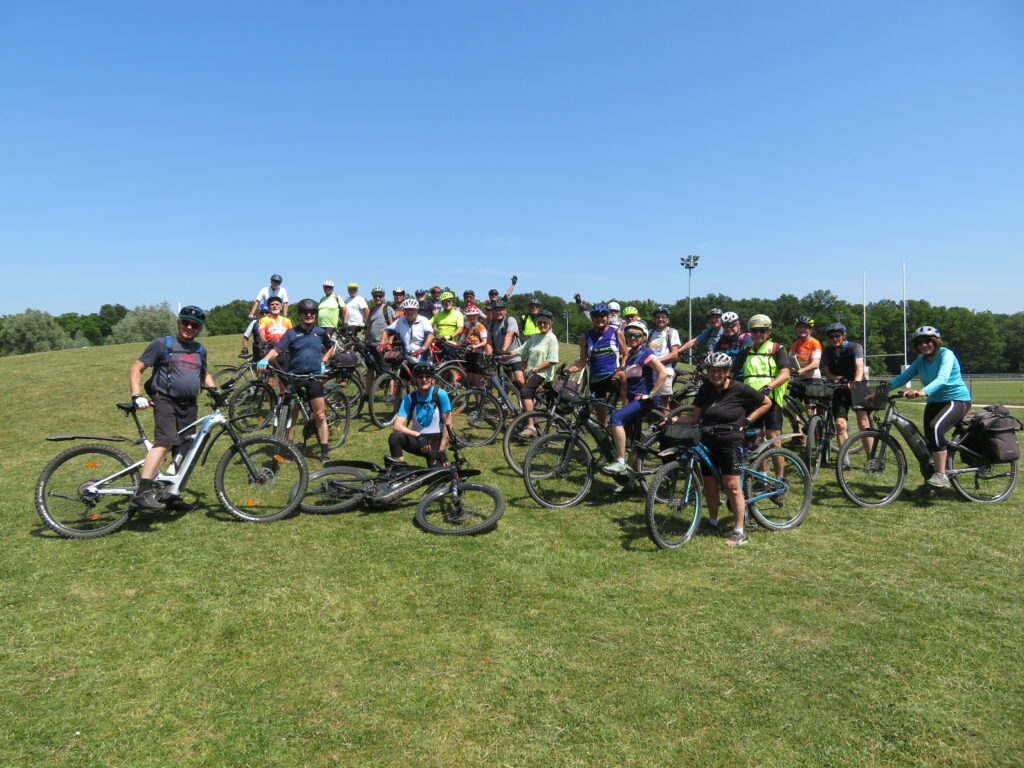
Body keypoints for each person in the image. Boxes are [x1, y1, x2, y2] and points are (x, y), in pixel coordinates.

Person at [671, 352, 772, 546]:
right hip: (707, 439)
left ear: (727, 372)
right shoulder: (705, 389)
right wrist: (672, 419)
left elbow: (766, 402)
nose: (715, 374)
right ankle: (712, 522)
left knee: (732, 486)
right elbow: (694, 418)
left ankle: (739, 532)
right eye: (712, 371)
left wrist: (748, 420)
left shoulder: (739, 388)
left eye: (720, 371)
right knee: (709, 484)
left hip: (731, 440)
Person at [127, 306, 217, 511]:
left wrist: (215, 392)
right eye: (185, 322)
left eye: (194, 325)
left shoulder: (200, 350)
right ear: (179, 323)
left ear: (200, 329)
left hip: (190, 405)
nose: (189, 327)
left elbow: (204, 374)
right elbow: (136, 368)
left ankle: (169, 494)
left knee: (185, 449)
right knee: (166, 441)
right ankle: (142, 491)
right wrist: (136, 395)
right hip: (165, 401)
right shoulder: (163, 344)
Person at [885, 326, 971, 490]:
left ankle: (941, 475)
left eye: (928, 341)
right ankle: (930, 483)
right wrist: (881, 390)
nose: (924, 345)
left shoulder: (946, 354)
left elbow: (943, 378)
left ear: (936, 342)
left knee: (935, 428)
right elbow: (903, 378)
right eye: (919, 343)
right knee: (929, 441)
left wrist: (922, 391)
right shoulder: (921, 360)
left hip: (956, 400)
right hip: (934, 401)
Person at [257, 298, 335, 462]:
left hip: (314, 377)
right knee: (291, 417)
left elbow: (331, 348)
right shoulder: (291, 333)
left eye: (312, 313)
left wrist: (323, 361)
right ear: (300, 315)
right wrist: (265, 359)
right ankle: (289, 450)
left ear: (315, 315)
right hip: (295, 378)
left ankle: (324, 452)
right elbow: (277, 349)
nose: (309, 315)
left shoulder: (320, 332)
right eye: (305, 312)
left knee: (320, 415)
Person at [602, 322, 668, 474]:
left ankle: (620, 461)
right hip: (633, 399)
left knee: (616, 418)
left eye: (637, 335)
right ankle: (632, 474)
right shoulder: (631, 354)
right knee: (635, 438)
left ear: (643, 337)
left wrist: (651, 394)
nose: (632, 337)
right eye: (629, 334)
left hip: (644, 400)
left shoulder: (646, 353)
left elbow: (663, 373)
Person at [732, 314, 791, 452]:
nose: (758, 333)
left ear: (769, 332)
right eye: (754, 330)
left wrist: (768, 387)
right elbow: (731, 373)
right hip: (750, 400)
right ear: (750, 332)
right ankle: (761, 466)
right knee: (755, 441)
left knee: (774, 440)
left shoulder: (777, 349)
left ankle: (779, 467)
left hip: (771, 399)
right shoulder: (746, 351)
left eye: (762, 330)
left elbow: (785, 374)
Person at [566, 302, 626, 425]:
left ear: (607, 317)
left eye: (602, 315)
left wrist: (622, 367)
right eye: (595, 316)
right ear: (592, 318)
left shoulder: (616, 333)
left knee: (622, 378)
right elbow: (582, 362)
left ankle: (626, 411)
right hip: (596, 380)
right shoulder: (586, 336)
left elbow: (625, 354)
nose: (599, 318)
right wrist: (568, 370)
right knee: (601, 417)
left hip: (612, 376)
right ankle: (603, 434)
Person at [503, 309, 560, 437]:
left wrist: (536, 369)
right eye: (539, 323)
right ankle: (532, 422)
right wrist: (501, 354)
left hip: (543, 373)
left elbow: (552, 360)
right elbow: (519, 350)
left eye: (545, 322)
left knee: (525, 392)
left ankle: (531, 427)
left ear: (550, 323)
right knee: (529, 397)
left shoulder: (552, 338)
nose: (542, 325)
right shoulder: (534, 337)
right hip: (532, 372)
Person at [388, 362, 452, 469]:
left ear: (432, 379)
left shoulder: (440, 394)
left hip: (435, 442)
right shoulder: (409, 398)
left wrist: (441, 449)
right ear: (416, 380)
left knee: (439, 475)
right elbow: (397, 426)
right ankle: (399, 468)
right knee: (395, 437)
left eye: (427, 377)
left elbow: (448, 424)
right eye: (420, 377)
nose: (424, 379)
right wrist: (418, 436)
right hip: (418, 440)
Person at [820, 322, 870, 455]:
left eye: (837, 335)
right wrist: (837, 378)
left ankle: (871, 457)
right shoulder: (827, 351)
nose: (834, 339)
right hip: (840, 387)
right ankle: (844, 459)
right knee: (840, 424)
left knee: (863, 423)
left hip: (857, 386)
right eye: (831, 337)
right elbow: (828, 373)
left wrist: (856, 382)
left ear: (844, 335)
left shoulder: (855, 347)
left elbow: (859, 366)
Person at [787, 315, 823, 444]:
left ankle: (818, 440)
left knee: (809, 409)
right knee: (791, 407)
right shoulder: (795, 344)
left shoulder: (814, 342)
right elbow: (788, 361)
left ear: (810, 330)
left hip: (812, 379)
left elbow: (815, 364)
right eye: (800, 327)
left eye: (805, 327)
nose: (802, 329)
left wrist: (799, 372)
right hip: (798, 380)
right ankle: (798, 435)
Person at [380, 298, 435, 365]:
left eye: (412, 310)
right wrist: (381, 344)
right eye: (407, 310)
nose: (409, 312)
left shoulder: (424, 320)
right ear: (404, 310)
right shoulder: (400, 321)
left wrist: (422, 349)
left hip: (423, 357)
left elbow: (431, 335)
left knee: (425, 371)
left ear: (417, 310)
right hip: (407, 358)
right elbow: (386, 331)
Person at [487, 299, 526, 391]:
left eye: (501, 309)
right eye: (496, 310)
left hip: (514, 355)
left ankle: (529, 396)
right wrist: (489, 355)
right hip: (500, 358)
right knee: (503, 383)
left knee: (520, 380)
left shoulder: (510, 320)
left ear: (505, 311)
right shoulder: (491, 324)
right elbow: (489, 342)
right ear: (493, 311)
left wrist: (503, 351)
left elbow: (509, 335)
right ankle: (504, 399)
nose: (498, 312)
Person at [364, 286, 396, 394]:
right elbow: (369, 327)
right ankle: (367, 393)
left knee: (387, 370)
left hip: (382, 346)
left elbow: (393, 327)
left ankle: (391, 394)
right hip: (371, 345)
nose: (378, 298)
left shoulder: (388, 309)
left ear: (383, 297)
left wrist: (389, 342)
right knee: (370, 369)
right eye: (375, 296)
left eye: (380, 296)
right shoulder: (372, 310)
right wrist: (365, 341)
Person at [647, 306, 682, 406]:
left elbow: (674, 354)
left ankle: (667, 417)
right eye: (658, 317)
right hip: (649, 372)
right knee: (648, 400)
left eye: (663, 317)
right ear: (654, 320)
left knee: (663, 403)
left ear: (668, 319)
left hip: (665, 370)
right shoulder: (650, 333)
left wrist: (657, 362)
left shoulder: (672, 332)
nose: (660, 319)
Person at [258, 296, 293, 390]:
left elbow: (292, 336)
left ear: (281, 307)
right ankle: (270, 398)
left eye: (277, 304)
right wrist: (264, 343)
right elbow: (261, 333)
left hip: (285, 353)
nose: (275, 306)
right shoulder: (264, 320)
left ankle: (282, 398)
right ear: (269, 307)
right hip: (270, 353)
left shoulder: (287, 321)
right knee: (270, 381)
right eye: (272, 304)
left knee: (283, 380)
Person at [456, 304, 488, 387]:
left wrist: (474, 346)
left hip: (478, 355)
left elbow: (484, 342)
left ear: (477, 315)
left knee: (476, 381)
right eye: (469, 316)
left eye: (474, 315)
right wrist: (446, 340)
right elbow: (459, 343)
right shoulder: (467, 328)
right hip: (469, 355)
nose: (471, 317)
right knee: (469, 381)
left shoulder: (480, 326)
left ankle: (481, 395)